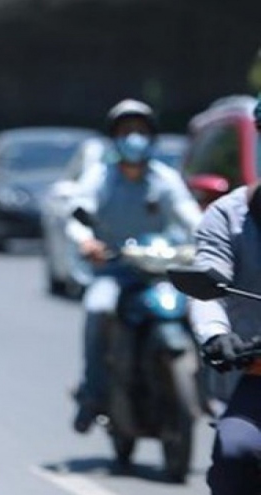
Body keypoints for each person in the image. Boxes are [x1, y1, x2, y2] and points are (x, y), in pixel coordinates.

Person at [68, 99, 203, 433]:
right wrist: (86, 241)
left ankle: (210, 391)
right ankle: (93, 394)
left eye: (140, 130)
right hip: (114, 270)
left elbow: (189, 215)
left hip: (159, 272)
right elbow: (78, 214)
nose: (134, 138)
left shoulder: (165, 178)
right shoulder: (100, 177)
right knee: (98, 308)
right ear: (114, 137)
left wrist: (208, 240)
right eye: (126, 131)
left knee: (203, 309)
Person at [188, 96, 261, 495]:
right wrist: (217, 335)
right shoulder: (227, 216)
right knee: (235, 455)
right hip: (256, 374)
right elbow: (207, 287)